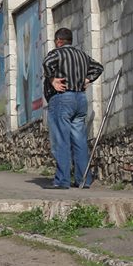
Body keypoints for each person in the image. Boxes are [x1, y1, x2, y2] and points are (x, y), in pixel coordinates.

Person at [42, 28, 103, 189]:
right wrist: (87, 80)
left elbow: (47, 63)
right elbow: (98, 67)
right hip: (80, 99)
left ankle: (62, 180)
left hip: (62, 99)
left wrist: (52, 79)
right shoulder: (82, 55)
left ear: (59, 41)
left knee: (61, 139)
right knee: (79, 140)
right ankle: (83, 179)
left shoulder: (57, 53)